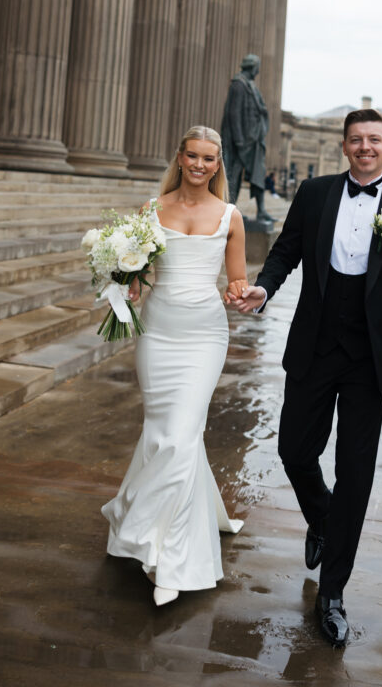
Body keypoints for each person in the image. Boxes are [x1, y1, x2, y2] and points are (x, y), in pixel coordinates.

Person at [228, 108, 382, 645]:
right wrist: (264, 288)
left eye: (374, 139)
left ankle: (334, 592)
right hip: (315, 345)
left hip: (370, 357)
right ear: (344, 147)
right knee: (294, 450)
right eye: (356, 140)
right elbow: (286, 251)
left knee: (355, 473)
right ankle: (322, 519)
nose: (365, 147)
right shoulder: (315, 192)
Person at [102, 126, 249, 606]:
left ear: (218, 164)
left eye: (210, 158)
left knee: (182, 434)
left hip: (205, 335)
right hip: (158, 333)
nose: (200, 165)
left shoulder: (230, 215)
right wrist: (126, 283)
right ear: (180, 158)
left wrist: (240, 292)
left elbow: (237, 279)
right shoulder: (151, 210)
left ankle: (165, 556)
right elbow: (137, 276)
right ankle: (142, 520)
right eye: (193, 156)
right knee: (164, 431)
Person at [221, 54, 273, 222]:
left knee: (258, 172)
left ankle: (261, 210)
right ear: (253, 67)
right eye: (257, 67)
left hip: (253, 138)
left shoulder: (249, 85)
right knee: (234, 175)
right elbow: (234, 113)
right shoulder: (239, 85)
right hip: (241, 141)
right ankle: (229, 208)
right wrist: (238, 140)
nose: (258, 71)